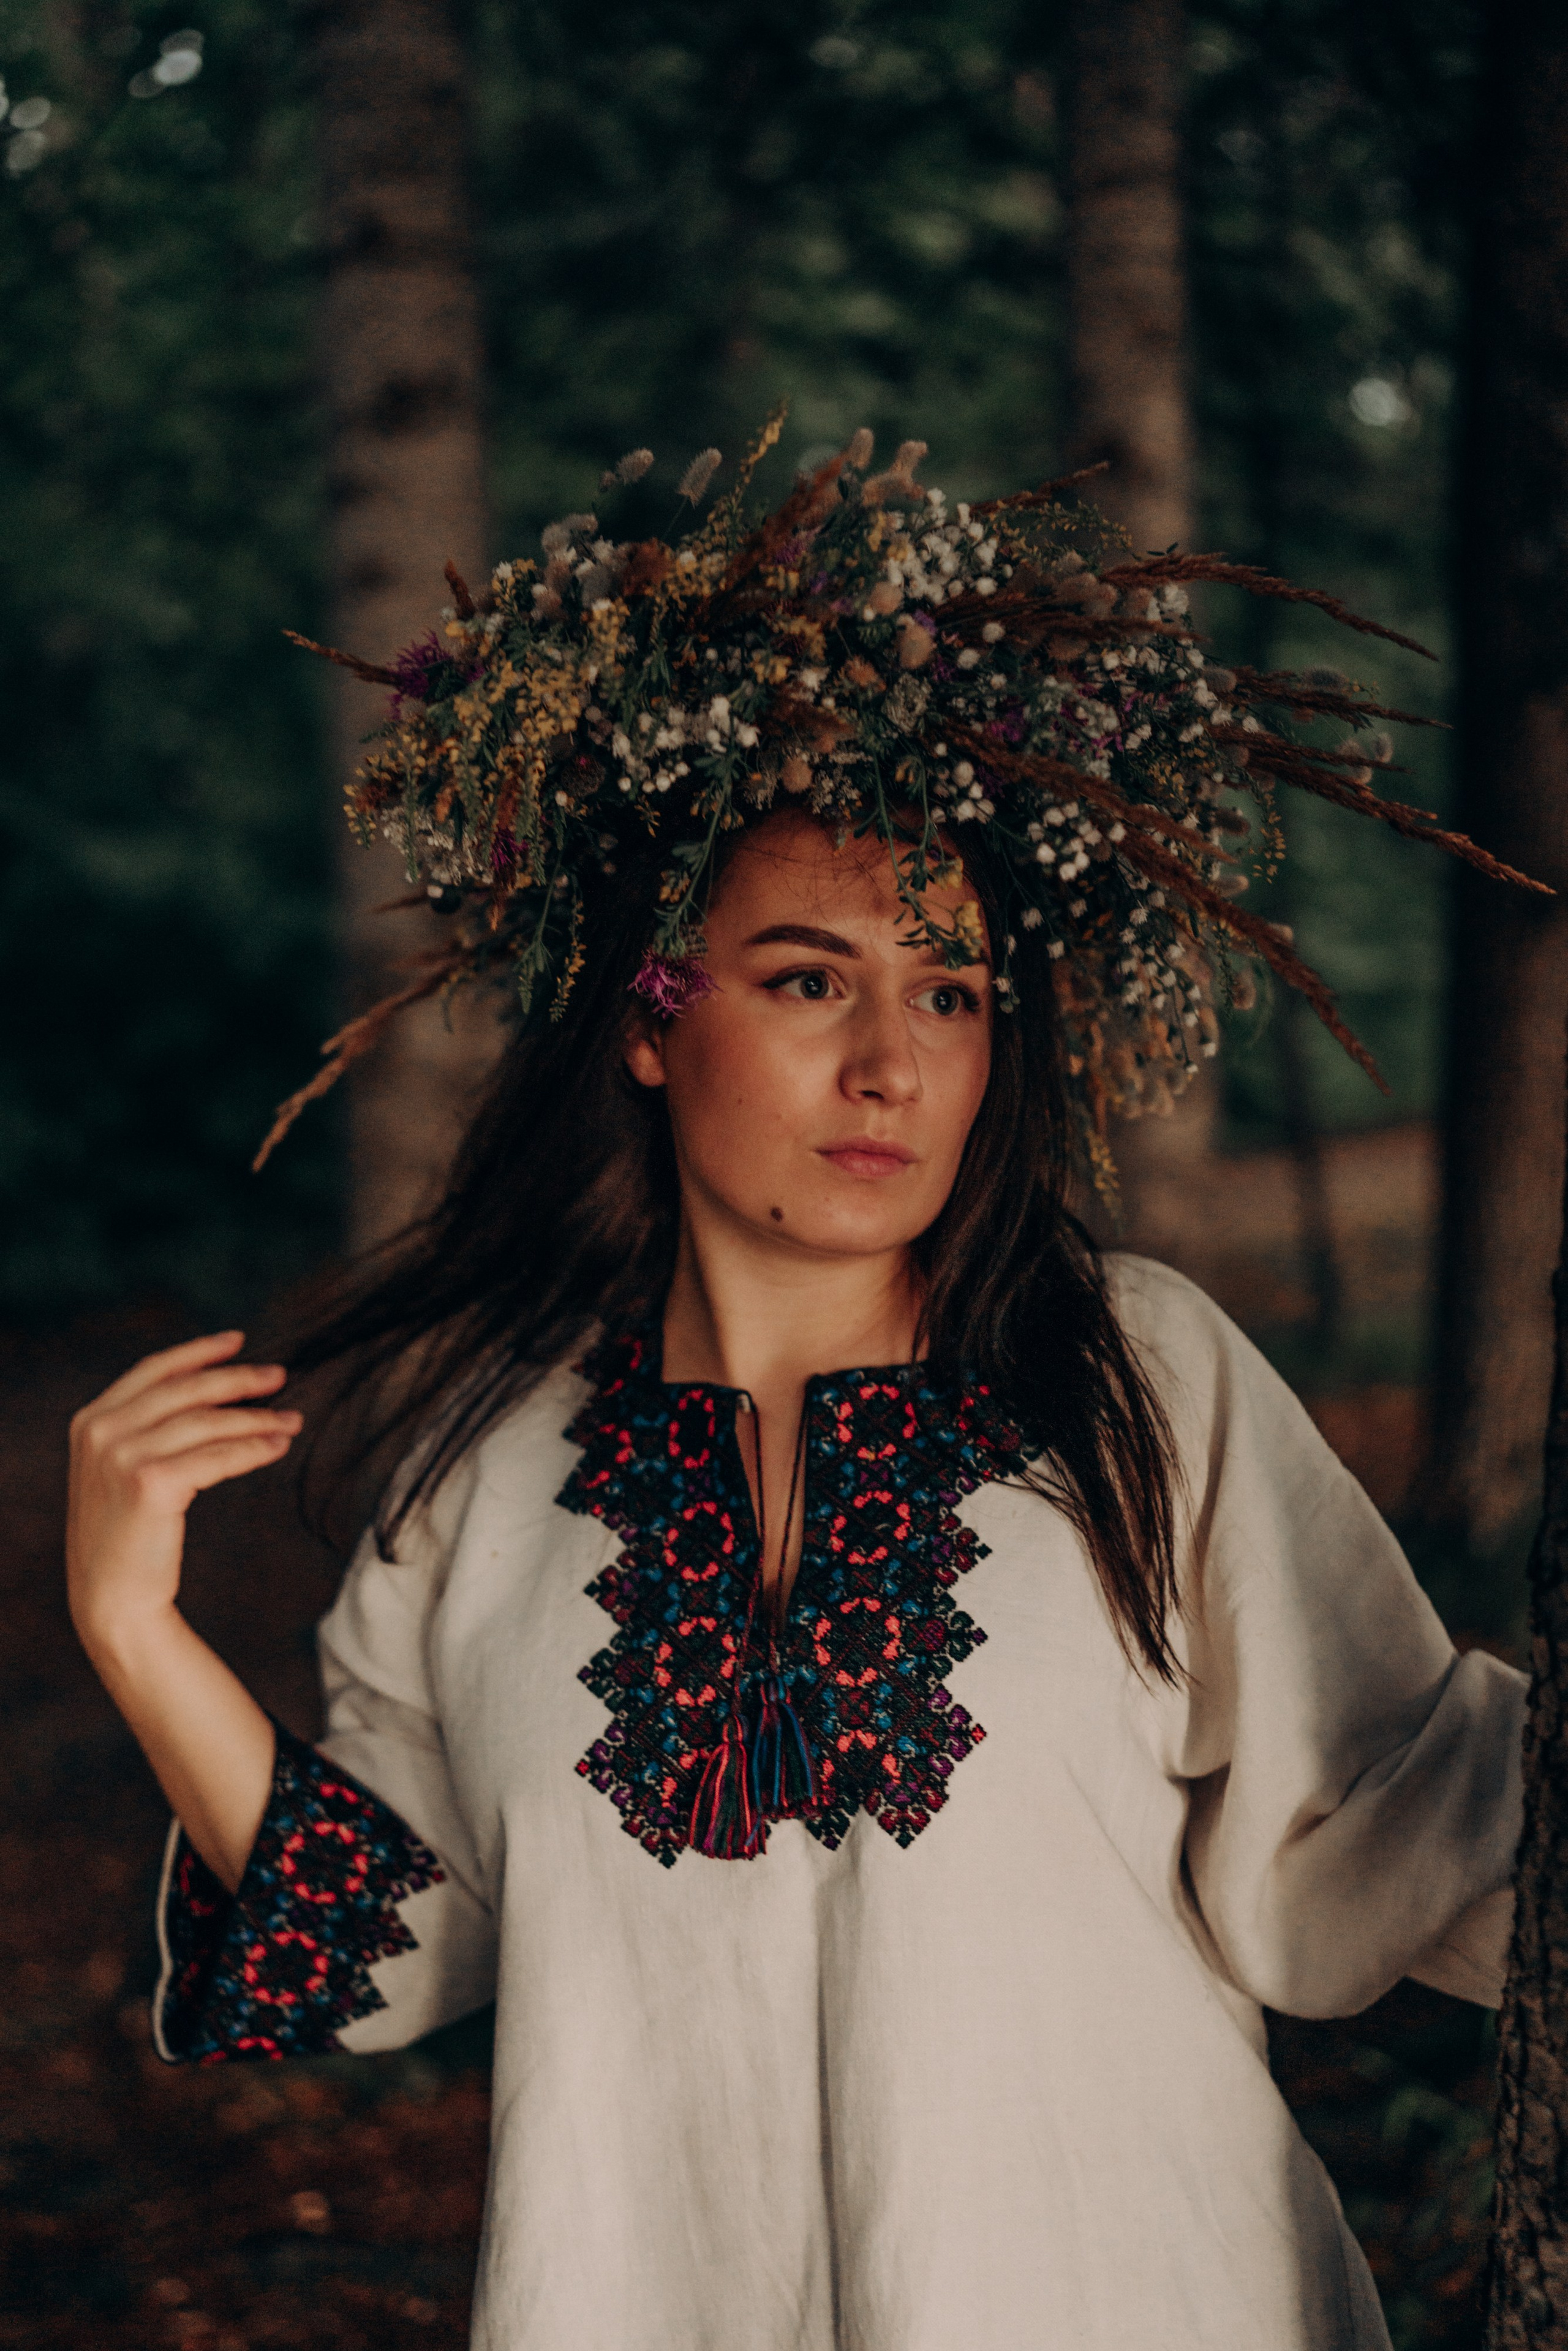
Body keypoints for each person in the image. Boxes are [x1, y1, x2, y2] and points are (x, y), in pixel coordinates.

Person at [67, 439, 1528, 2350]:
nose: (892, 1066)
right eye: (809, 979)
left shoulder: (1133, 1373)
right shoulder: (488, 1477)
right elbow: (374, 1950)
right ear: (653, 1022)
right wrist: (129, 1620)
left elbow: (1398, 1815)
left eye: (951, 992)